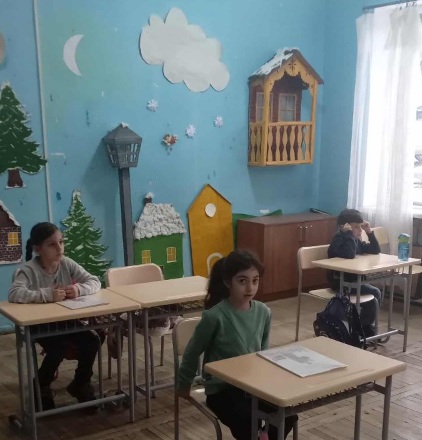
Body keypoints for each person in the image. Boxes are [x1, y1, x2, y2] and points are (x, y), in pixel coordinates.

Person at [176, 250, 297, 440]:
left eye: (255, 281)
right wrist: (184, 384)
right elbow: (192, 351)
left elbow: (263, 353)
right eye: (242, 281)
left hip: (253, 387)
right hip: (222, 390)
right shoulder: (214, 316)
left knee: (289, 414)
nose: (250, 287)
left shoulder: (263, 312)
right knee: (247, 422)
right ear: (227, 282)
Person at [9, 222, 102, 411]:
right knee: (58, 347)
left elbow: (94, 281)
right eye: (52, 244)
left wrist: (78, 289)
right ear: (38, 249)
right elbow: (14, 293)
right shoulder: (28, 270)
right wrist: (46, 295)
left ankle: (81, 383)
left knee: (92, 340)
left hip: (65, 320)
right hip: (39, 324)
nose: (59, 248)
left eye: (61, 242)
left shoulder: (66, 263)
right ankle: (41, 385)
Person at [327, 208, 381, 337]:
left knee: (373, 295)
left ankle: (364, 326)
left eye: (361, 226)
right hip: (340, 282)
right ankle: (362, 328)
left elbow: (375, 249)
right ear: (344, 227)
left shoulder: (354, 240)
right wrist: (349, 234)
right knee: (375, 292)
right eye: (356, 227)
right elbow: (350, 254)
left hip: (353, 281)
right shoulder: (339, 240)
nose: (360, 230)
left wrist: (369, 232)